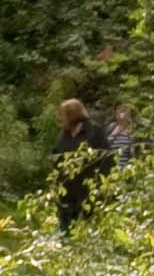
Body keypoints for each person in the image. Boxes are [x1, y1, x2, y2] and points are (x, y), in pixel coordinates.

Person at [48, 96, 113, 234]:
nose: (60, 119)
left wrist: (102, 186)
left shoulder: (94, 131)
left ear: (72, 116)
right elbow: (56, 158)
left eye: (63, 115)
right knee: (65, 233)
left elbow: (107, 158)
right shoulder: (63, 134)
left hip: (88, 192)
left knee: (88, 232)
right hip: (66, 193)